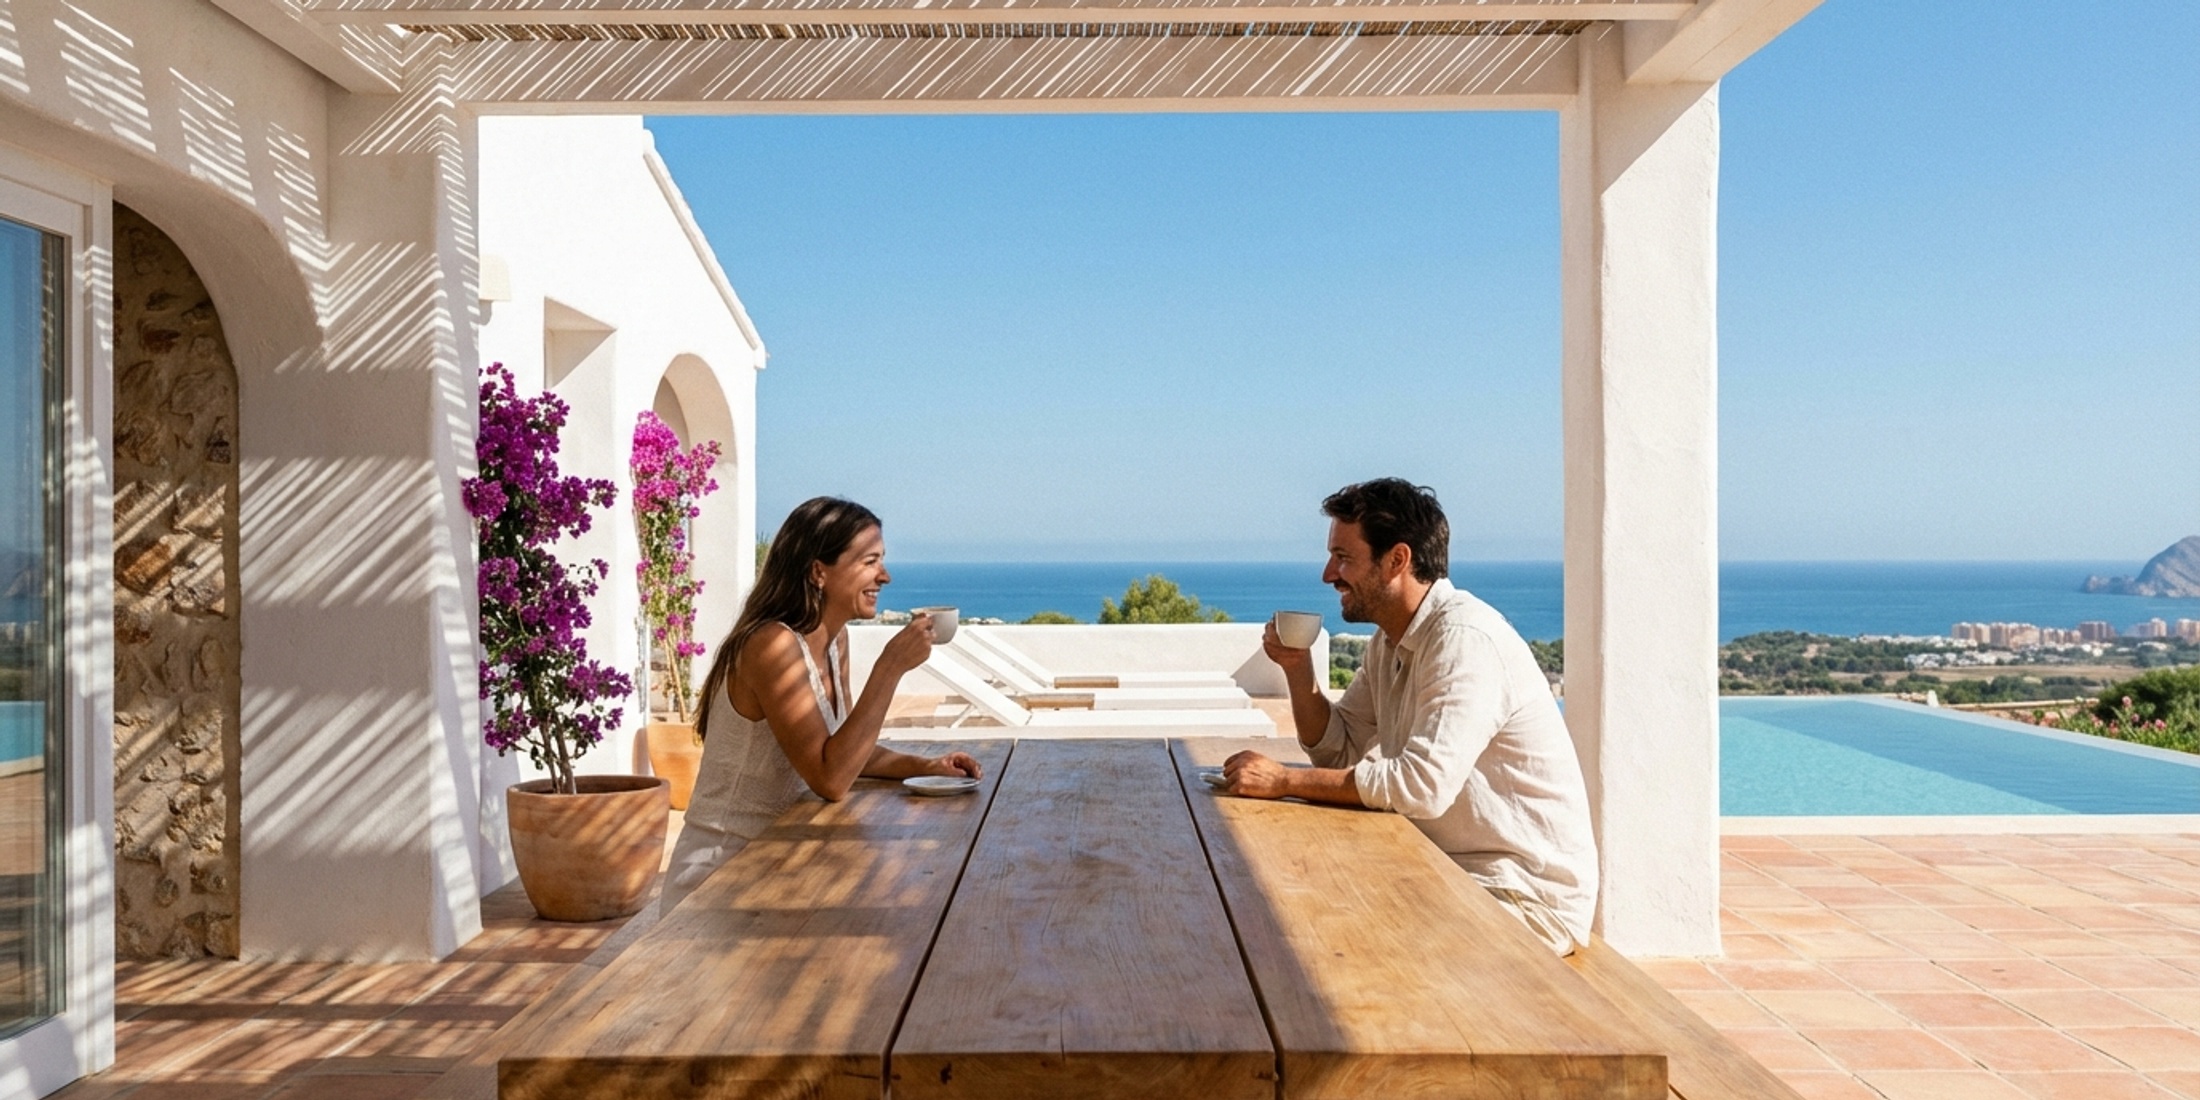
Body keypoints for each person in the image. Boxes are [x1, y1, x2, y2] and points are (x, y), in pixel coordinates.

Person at [1220, 478, 1599, 954]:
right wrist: (1299, 671)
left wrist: (1285, 781)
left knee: (1332, 935)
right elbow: (1339, 748)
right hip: (1446, 867)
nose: (1327, 574)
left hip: (1521, 897)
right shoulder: (1390, 641)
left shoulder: (1463, 640)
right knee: (1290, 896)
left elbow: (1421, 785)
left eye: (1343, 557)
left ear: (1397, 560)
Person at [660, 496, 980, 913]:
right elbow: (830, 778)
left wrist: (925, 767)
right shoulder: (771, 645)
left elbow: (841, 751)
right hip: (721, 875)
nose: (885, 576)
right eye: (870, 561)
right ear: (819, 572)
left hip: (783, 860)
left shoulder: (832, 641)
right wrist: (889, 668)